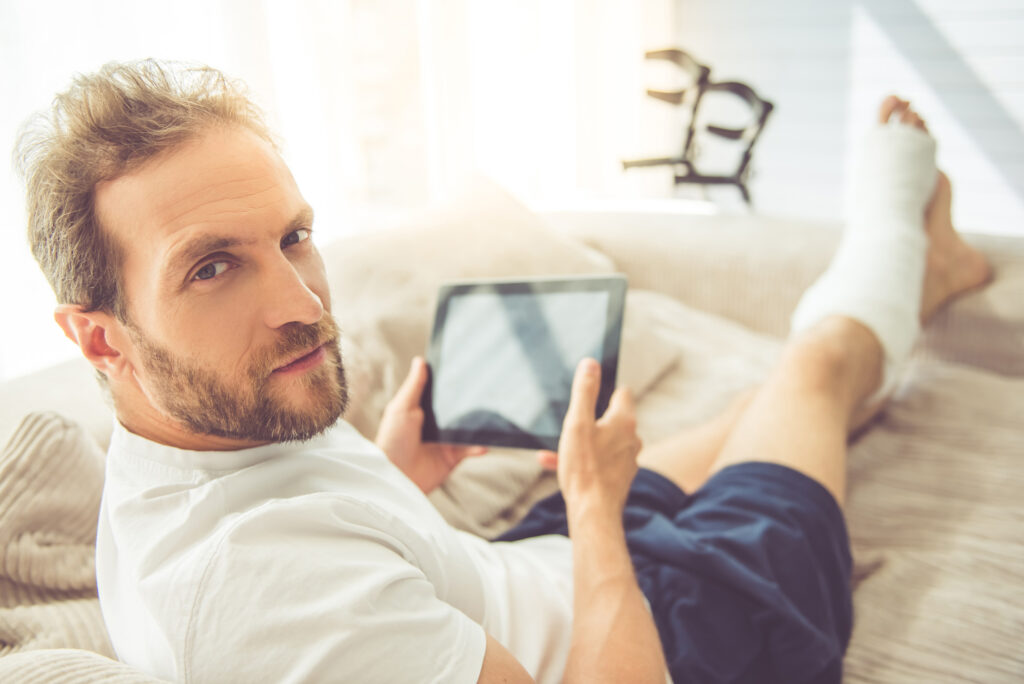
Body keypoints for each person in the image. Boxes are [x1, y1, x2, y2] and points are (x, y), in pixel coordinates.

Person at [15, 60, 990, 683]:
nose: (306, 306)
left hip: (534, 570)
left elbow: (322, 549)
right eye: (212, 266)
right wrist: (599, 514)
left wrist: (398, 476)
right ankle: (911, 241)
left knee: (750, 403)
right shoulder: (264, 603)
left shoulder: (169, 463)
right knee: (810, 370)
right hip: (676, 634)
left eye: (294, 237)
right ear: (99, 337)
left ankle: (914, 282)